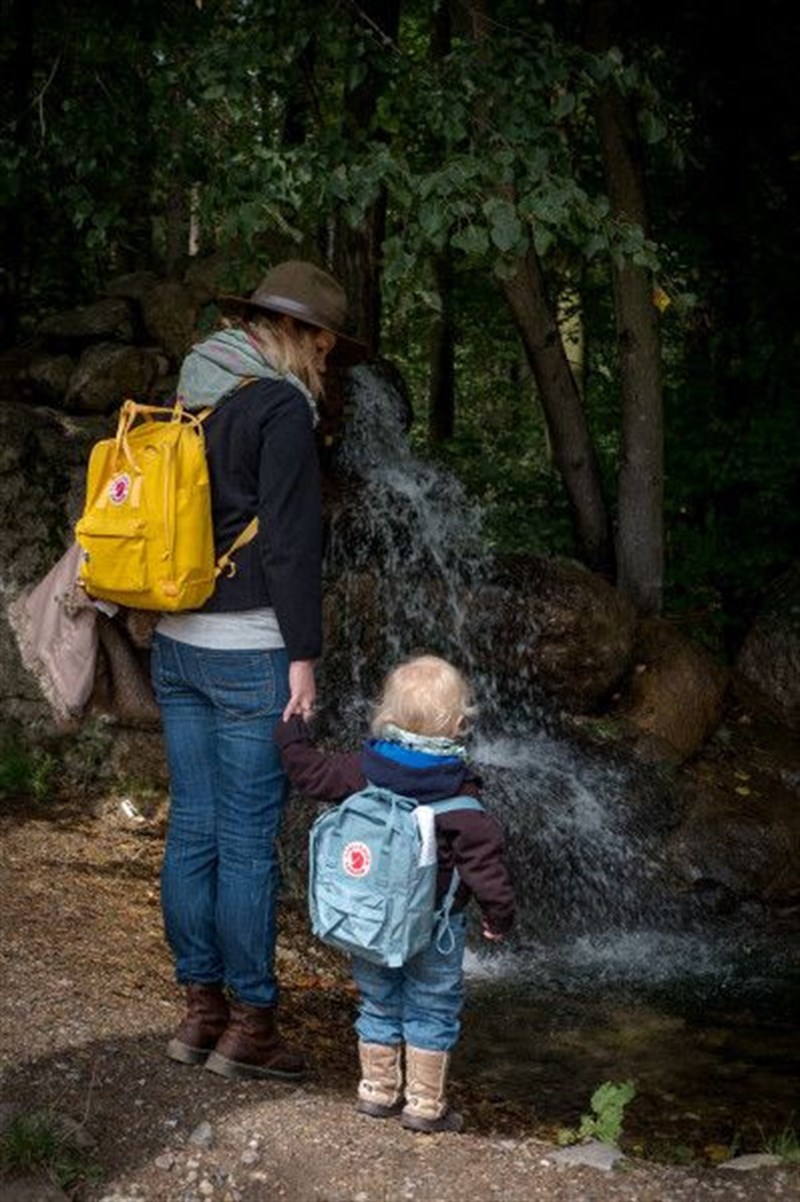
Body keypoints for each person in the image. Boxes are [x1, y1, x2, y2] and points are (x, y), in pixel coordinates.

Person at [151, 259, 364, 1082]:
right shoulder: (279, 406)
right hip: (250, 651)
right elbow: (289, 542)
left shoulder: (191, 391)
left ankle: (199, 1014)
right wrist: (304, 656)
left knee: (192, 829)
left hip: (176, 641)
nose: (325, 362)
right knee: (244, 844)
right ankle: (250, 1028)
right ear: (304, 335)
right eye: (324, 346)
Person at [274, 654, 516, 1132]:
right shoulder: (462, 798)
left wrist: (291, 735)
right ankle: (424, 1106)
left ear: (387, 713)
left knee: (379, 998)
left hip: (372, 914)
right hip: (436, 925)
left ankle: (377, 1091)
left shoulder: (365, 768)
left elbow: (310, 775)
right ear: (458, 722)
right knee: (433, 1003)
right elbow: (485, 867)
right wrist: (498, 915)